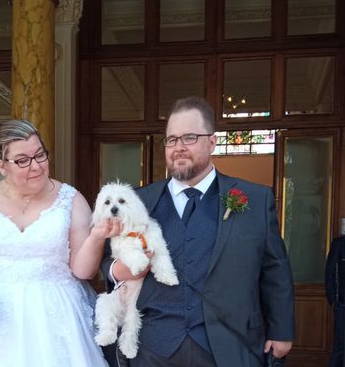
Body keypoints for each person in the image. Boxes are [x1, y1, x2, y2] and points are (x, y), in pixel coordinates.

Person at [102, 97, 295, 366]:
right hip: (152, 347)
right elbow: (106, 257)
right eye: (171, 140)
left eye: (189, 138)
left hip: (229, 344)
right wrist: (115, 271)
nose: (178, 148)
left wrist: (281, 330)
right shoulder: (136, 201)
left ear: (212, 141)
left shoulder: (254, 199)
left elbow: (275, 269)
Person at [0, 119, 119, 366]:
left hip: (56, 320)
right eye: (23, 160)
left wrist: (96, 236)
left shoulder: (71, 200)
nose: (36, 166)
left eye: (40, 155)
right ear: (0, 165)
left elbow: (84, 270)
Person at [325, 234, 345, 366]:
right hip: (342, 304)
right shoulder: (340, 243)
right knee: (341, 344)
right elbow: (330, 272)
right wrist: (333, 300)